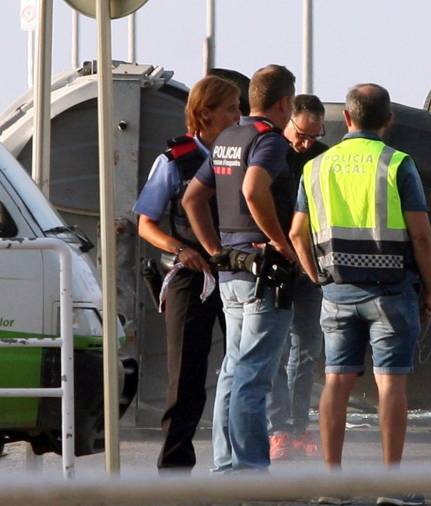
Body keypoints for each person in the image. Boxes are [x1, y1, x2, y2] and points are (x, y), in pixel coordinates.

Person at [289, 83, 431, 506]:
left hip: (337, 291)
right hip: (392, 292)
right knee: (391, 384)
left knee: (336, 380)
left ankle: (331, 484)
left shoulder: (316, 166)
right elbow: (421, 236)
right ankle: (391, 486)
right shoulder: (397, 164)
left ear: (348, 119)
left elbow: (297, 232)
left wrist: (315, 275)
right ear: (387, 121)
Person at [182, 64, 299, 472]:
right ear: (285, 103)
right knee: (254, 374)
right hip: (263, 275)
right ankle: (250, 470)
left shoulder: (228, 138)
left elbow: (192, 199)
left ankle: (227, 464)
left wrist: (215, 248)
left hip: (231, 271)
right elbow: (253, 189)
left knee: (233, 370)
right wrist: (282, 244)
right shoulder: (269, 141)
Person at [132, 75, 241, 471]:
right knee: (187, 377)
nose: (238, 116)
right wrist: (181, 249)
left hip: (236, 273)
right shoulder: (174, 160)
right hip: (189, 277)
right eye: (230, 109)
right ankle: (175, 468)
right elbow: (146, 223)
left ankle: (237, 462)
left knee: (242, 368)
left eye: (239, 107)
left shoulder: (241, 155)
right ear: (205, 113)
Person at [266, 94, 329, 460]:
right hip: (276, 261)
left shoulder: (322, 156)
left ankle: (300, 425)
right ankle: (279, 429)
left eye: (312, 136)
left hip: (310, 264)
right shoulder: (271, 150)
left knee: (307, 348)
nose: (304, 143)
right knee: (276, 348)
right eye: (300, 135)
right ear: (287, 121)